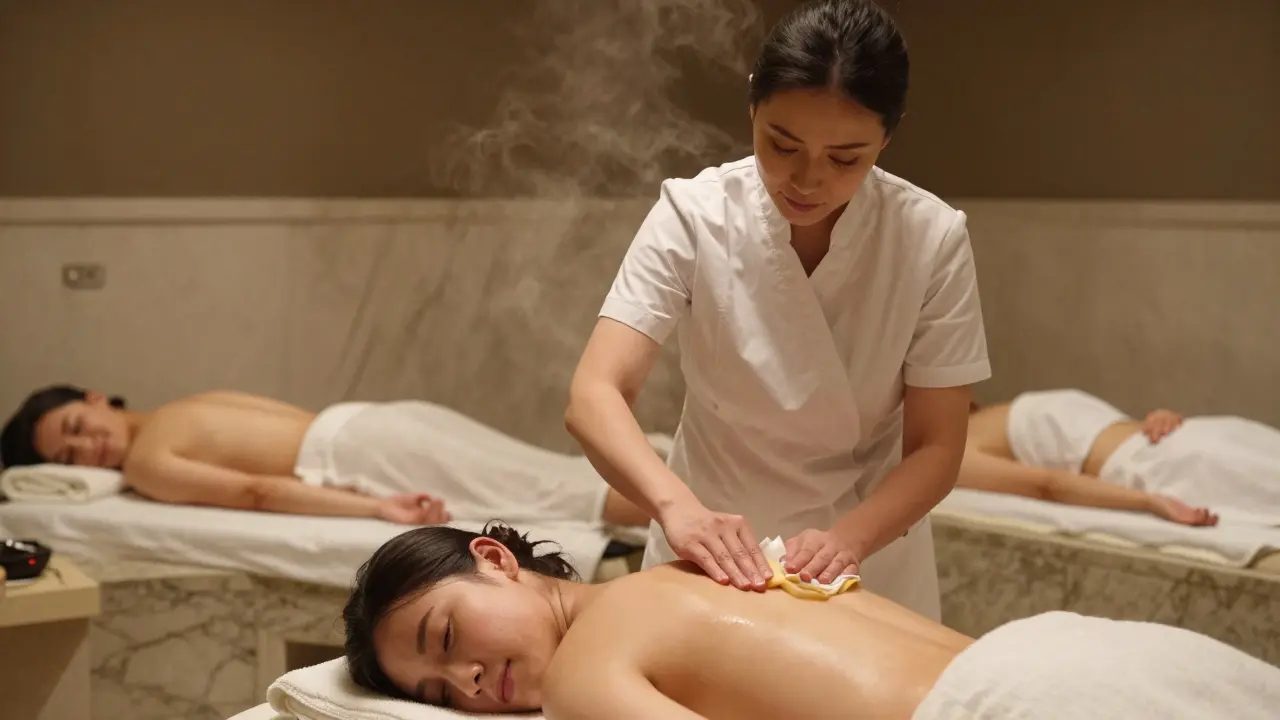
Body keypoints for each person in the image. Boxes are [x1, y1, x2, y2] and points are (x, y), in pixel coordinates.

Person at [564, 0, 989, 618]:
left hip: (865, 563)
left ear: (887, 137)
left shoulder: (930, 237)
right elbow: (595, 394)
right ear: (753, 108)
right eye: (781, 144)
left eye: (846, 158)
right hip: (708, 550)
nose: (806, 180)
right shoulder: (695, 213)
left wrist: (850, 540)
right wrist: (676, 508)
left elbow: (937, 447)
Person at [340, 522, 1280, 718]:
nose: (464, 684)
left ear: (496, 561)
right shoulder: (704, 571)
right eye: (437, 692)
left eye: (447, 638)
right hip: (1082, 654)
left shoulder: (586, 674)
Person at [0, 384, 651, 529]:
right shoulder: (183, 405)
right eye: (71, 455)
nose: (90, 448)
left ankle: (703, 517)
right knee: (558, 480)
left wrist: (374, 505)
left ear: (95, 396)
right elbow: (260, 478)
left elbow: (257, 493)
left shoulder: (150, 455)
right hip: (383, 421)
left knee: (571, 497)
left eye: (78, 426)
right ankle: (709, 506)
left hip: (371, 448)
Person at [962, 388, 1280, 525]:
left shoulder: (992, 412)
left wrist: (1157, 419)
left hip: (1193, 439)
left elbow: (1101, 428)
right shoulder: (955, 457)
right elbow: (1048, 486)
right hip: (1163, 467)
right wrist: (1148, 501)